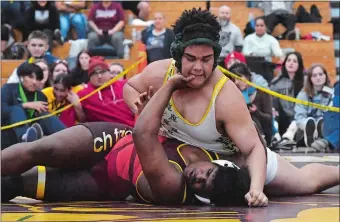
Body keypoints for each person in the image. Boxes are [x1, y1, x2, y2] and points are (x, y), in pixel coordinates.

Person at [2, 74, 339, 206]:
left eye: (202, 187)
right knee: (39, 148)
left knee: (19, 184)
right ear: (217, 160)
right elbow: (300, 176)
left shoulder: (173, 186)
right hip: (110, 139)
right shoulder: (228, 152)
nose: (199, 178)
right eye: (208, 174)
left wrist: (172, 84)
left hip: (107, 176)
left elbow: (142, 133)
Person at [123, 8, 268, 206]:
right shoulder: (160, 72)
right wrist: (141, 109)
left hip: (225, 160)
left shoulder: (225, 95)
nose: (198, 68)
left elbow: (253, 148)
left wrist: (257, 189)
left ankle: (326, 173)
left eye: (206, 60)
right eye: (191, 59)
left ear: (215, 58)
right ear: (177, 55)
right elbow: (130, 86)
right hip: (184, 152)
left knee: (303, 182)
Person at [1, 63, 66, 148]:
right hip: (9, 133)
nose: (34, 82)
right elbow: (2, 111)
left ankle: (66, 136)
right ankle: (25, 137)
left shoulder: (41, 96)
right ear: (22, 77)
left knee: (45, 115)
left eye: (38, 79)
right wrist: (25, 105)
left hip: (35, 131)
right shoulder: (8, 89)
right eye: (31, 77)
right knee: (16, 110)